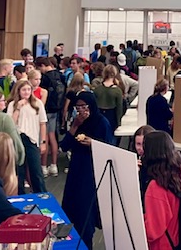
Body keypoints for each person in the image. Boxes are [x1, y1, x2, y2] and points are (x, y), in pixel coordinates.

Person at [60, 91, 113, 250]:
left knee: (85, 213)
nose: (81, 110)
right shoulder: (77, 122)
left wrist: (93, 143)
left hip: (91, 171)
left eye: (84, 106)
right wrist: (75, 126)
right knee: (71, 208)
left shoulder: (101, 122)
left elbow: (110, 146)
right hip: (76, 169)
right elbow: (64, 146)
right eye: (78, 107)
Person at [141, 131, 181, 250]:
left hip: (161, 246)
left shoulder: (155, 187)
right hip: (175, 240)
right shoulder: (177, 175)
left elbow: (153, 231)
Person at [6, 79, 47, 194]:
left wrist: (43, 142)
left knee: (36, 171)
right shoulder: (12, 105)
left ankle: (41, 195)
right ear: (18, 91)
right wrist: (18, 108)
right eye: (24, 90)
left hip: (32, 140)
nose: (26, 92)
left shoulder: (37, 103)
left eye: (29, 89)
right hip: (17, 139)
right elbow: (11, 124)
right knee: (19, 172)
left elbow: (43, 123)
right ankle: (20, 195)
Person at [35, 56, 64, 178]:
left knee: (44, 137)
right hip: (56, 110)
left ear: (42, 66)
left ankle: (43, 166)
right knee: (53, 136)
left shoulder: (45, 79)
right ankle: (54, 165)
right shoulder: (60, 75)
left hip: (46, 110)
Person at [94, 65, 124, 145]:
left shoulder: (97, 89)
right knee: (111, 141)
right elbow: (119, 109)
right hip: (112, 117)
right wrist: (119, 122)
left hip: (99, 116)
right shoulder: (117, 91)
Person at [133, 125, 156, 205]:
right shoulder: (135, 161)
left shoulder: (158, 163)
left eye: (143, 144)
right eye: (138, 144)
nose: (141, 148)